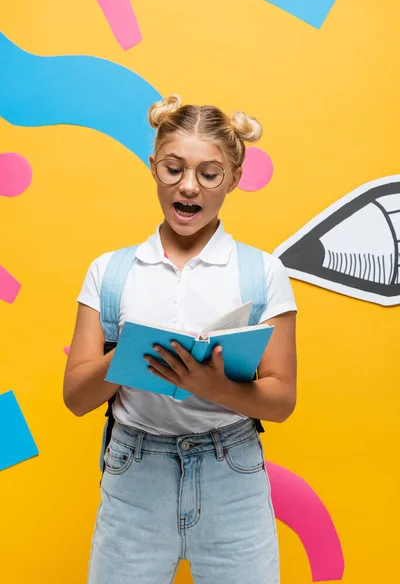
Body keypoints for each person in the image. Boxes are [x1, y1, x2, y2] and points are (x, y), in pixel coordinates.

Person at [63, 94, 297, 584]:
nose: (188, 186)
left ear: (234, 178)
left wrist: (211, 385)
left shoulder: (261, 272)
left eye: (209, 174)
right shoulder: (110, 272)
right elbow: (75, 398)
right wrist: (128, 356)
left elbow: (280, 401)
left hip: (232, 475)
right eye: (173, 169)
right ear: (153, 168)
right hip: (134, 474)